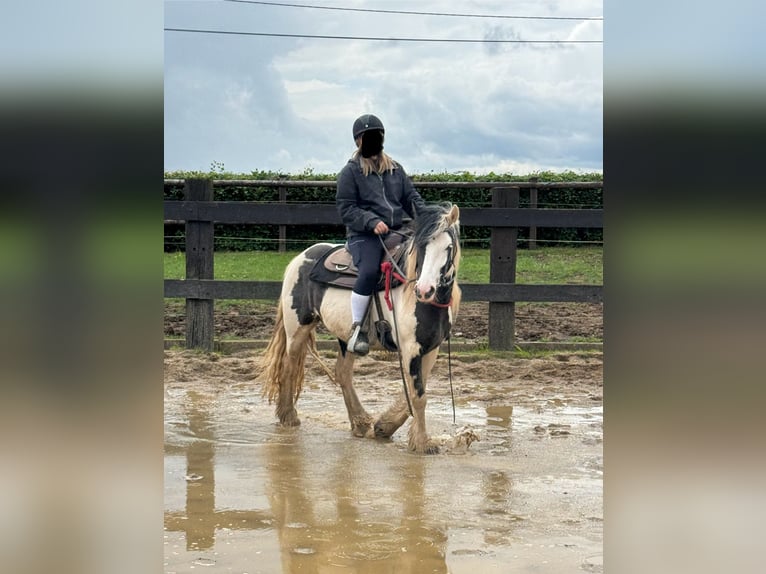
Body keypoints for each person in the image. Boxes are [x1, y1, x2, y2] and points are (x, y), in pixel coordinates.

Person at [336, 113, 427, 355]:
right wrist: (370, 221)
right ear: (359, 141)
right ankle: (358, 329)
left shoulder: (396, 169)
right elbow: (346, 207)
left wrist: (428, 217)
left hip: (399, 230)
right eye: (368, 137)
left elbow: (411, 198)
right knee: (368, 271)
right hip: (364, 236)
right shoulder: (350, 172)